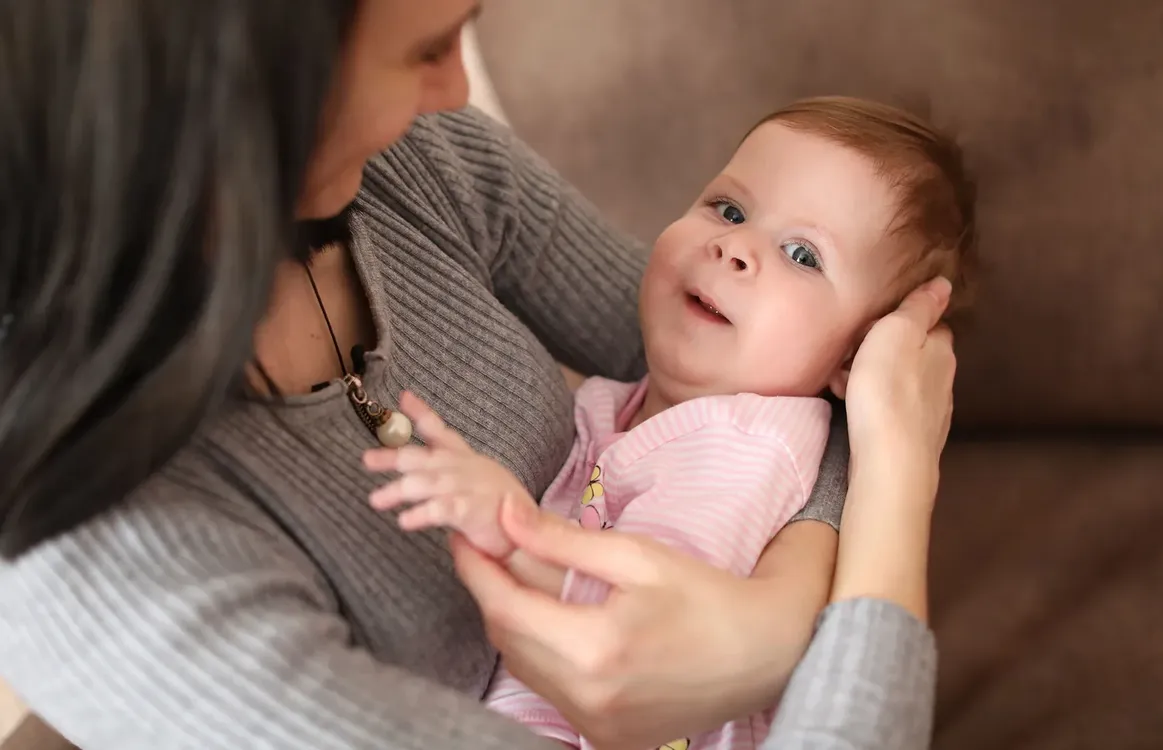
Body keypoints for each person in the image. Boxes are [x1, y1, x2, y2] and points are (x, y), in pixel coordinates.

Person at [0, 1, 956, 749]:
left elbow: (759, 397)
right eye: (425, 49)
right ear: (242, 77)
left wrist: (773, 622)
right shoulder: (102, 554)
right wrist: (889, 487)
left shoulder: (405, 163)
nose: (457, 91)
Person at [363, 96, 975, 750]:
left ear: (855, 357)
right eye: (729, 209)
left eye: (802, 254)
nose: (735, 247)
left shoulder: (747, 446)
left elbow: (642, 616)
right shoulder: (618, 405)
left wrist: (510, 528)